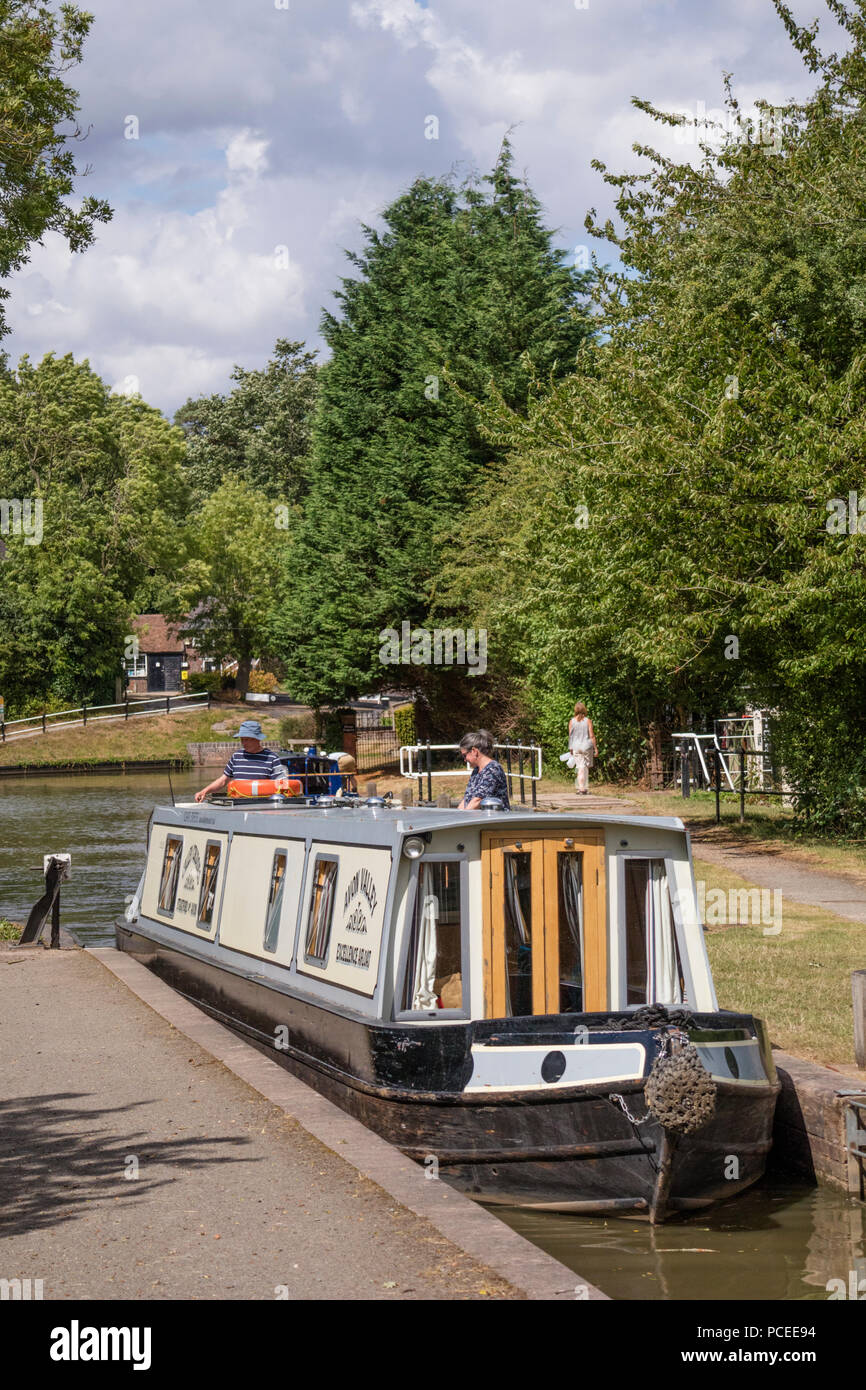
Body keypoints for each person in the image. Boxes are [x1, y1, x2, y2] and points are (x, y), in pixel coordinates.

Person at [195, 720, 287, 802]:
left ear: (257, 739)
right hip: (238, 805)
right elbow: (223, 780)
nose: (243, 743)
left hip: (263, 806)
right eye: (242, 739)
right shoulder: (236, 756)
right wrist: (204, 791)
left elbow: (282, 785)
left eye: (247, 739)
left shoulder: (272, 758)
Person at [457, 729, 511, 810]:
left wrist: (462, 818)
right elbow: (467, 799)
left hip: (496, 820)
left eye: (465, 755)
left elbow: (477, 801)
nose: (464, 760)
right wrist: (456, 815)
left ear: (474, 751)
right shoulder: (476, 770)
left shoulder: (493, 770)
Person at [568, 702, 597, 795]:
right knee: (583, 767)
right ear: (584, 709)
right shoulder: (588, 720)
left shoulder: (572, 721)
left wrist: (570, 748)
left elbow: (570, 736)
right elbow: (592, 735)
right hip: (586, 746)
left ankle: (582, 787)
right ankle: (582, 788)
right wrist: (595, 748)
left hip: (576, 746)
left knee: (581, 766)